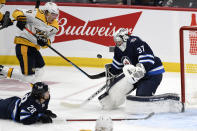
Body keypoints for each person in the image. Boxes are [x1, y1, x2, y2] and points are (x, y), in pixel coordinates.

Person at [98, 28, 165, 110]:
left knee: (141, 100)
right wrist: (111, 72)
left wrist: (140, 70)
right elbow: (117, 67)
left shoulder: (136, 42)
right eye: (115, 40)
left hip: (151, 74)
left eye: (118, 40)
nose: (117, 43)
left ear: (125, 37)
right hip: (135, 75)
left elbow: (148, 59)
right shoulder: (118, 49)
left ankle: (159, 103)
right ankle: (112, 99)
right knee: (119, 86)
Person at [0, 2, 59, 84]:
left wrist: (44, 42)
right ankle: (2, 70)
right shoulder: (35, 14)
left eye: (56, 15)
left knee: (40, 70)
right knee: (28, 77)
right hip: (24, 45)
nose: (54, 17)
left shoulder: (55, 26)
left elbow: (49, 41)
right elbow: (16, 11)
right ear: (45, 12)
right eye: (52, 14)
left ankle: (37, 91)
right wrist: (20, 18)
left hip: (34, 48)